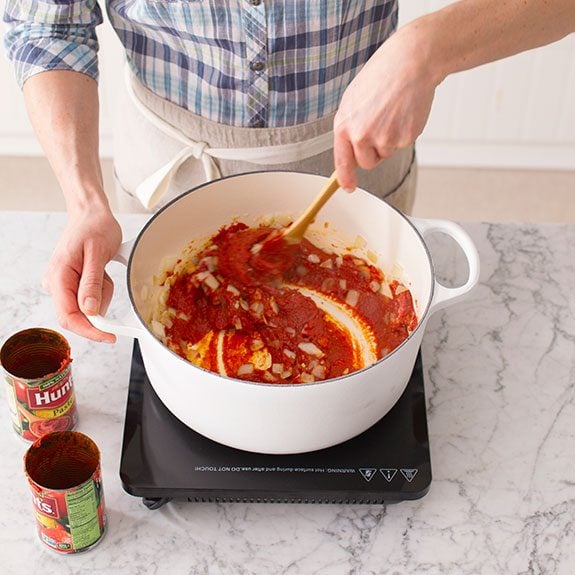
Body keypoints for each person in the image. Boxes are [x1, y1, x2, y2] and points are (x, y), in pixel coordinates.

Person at [3, 0, 574, 344]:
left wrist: (429, 48)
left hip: (354, 154)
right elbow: (47, 27)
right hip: (169, 163)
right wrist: (84, 201)